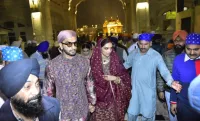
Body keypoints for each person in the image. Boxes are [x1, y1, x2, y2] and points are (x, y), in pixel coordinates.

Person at [123, 33, 182, 121]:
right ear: (138, 43)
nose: (143, 46)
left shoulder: (156, 56)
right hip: (134, 91)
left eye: (146, 44)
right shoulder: (134, 53)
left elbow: (164, 71)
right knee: (131, 113)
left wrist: (171, 82)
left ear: (150, 43)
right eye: (141, 44)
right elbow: (125, 65)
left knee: (148, 115)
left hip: (148, 92)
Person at [45, 30, 95, 121]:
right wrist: (51, 111)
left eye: (75, 43)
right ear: (61, 45)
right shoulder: (52, 65)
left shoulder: (84, 61)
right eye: (69, 44)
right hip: (64, 112)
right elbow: (48, 91)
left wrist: (92, 102)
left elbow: (90, 84)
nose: (73, 47)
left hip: (82, 110)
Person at [90, 38, 131, 121]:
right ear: (99, 48)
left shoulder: (115, 60)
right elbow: (89, 81)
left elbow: (125, 77)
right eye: (106, 48)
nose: (109, 51)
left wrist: (116, 78)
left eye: (111, 48)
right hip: (98, 99)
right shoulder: (93, 62)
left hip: (113, 98)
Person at [157, 30, 188, 121]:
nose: (178, 43)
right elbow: (160, 73)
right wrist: (160, 90)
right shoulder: (166, 55)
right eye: (176, 41)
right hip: (169, 90)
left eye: (181, 40)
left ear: (185, 41)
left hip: (185, 91)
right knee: (173, 115)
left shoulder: (190, 54)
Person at [170, 33, 200, 121]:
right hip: (184, 105)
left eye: (196, 49)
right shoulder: (179, 59)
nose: (192, 52)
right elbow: (174, 82)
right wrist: (173, 102)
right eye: (188, 49)